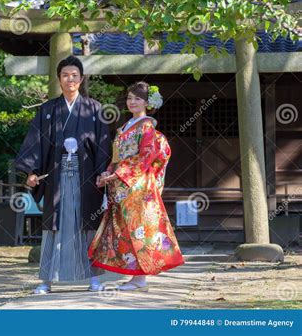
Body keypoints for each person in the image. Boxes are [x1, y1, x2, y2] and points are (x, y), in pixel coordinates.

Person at [15, 55, 111, 294]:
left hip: (86, 177)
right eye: (65, 75)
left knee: (88, 225)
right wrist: (32, 170)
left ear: (81, 79)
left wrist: (102, 172)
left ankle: (94, 278)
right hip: (56, 178)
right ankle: (46, 280)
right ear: (59, 79)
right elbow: (35, 141)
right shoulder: (48, 109)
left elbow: (102, 145)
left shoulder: (94, 108)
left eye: (74, 75)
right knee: (54, 226)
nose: (70, 79)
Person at [88, 81, 184, 291]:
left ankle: (140, 279)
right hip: (121, 186)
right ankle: (135, 278)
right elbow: (116, 157)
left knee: (138, 229)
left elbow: (145, 157)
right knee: (125, 230)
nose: (132, 102)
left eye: (137, 98)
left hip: (137, 186)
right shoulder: (124, 126)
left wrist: (116, 174)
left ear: (147, 103)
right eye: (130, 98)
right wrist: (107, 172)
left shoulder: (147, 126)